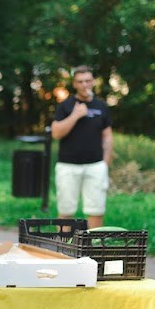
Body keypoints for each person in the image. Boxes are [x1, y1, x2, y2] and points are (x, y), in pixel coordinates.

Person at [51, 65, 113, 229]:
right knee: (66, 210)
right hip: (68, 166)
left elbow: (107, 137)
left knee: (96, 210)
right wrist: (75, 115)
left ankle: (94, 250)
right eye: (80, 81)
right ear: (75, 84)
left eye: (87, 81)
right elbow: (56, 133)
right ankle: (64, 250)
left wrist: (104, 164)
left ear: (93, 82)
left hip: (95, 166)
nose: (84, 85)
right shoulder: (66, 106)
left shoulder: (101, 106)